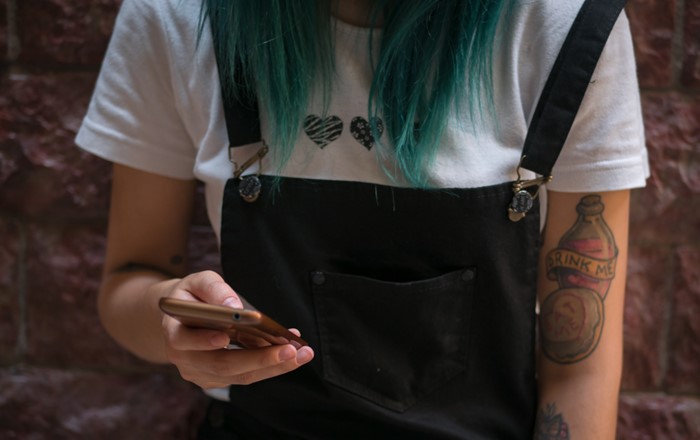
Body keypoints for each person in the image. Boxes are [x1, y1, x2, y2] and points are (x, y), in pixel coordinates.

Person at [76, 0, 649, 438]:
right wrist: (175, 324)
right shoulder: (177, 18)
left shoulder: (566, 26)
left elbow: (579, 365)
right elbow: (130, 276)